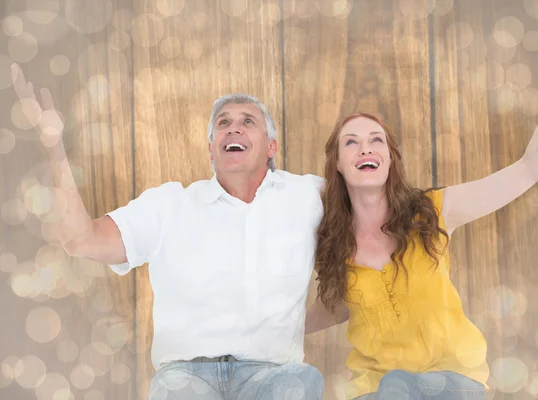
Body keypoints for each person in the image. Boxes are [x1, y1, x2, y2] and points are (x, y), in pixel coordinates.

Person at [305, 12, 538, 400]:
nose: (366, 146)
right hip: (376, 391)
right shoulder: (333, 242)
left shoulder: (431, 213)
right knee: (391, 387)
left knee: (397, 385)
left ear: (390, 159)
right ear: (337, 163)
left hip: (454, 382)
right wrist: (252, 332)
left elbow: (533, 167)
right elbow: (336, 308)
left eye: (376, 140)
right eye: (351, 141)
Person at [11, 64, 325, 399]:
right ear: (211, 150)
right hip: (187, 377)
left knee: (299, 381)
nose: (234, 128)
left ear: (272, 147)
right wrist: (52, 144)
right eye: (223, 123)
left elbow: (369, 224)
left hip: (273, 375)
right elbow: (82, 239)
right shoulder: (169, 204)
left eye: (248, 121)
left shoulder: (308, 196)